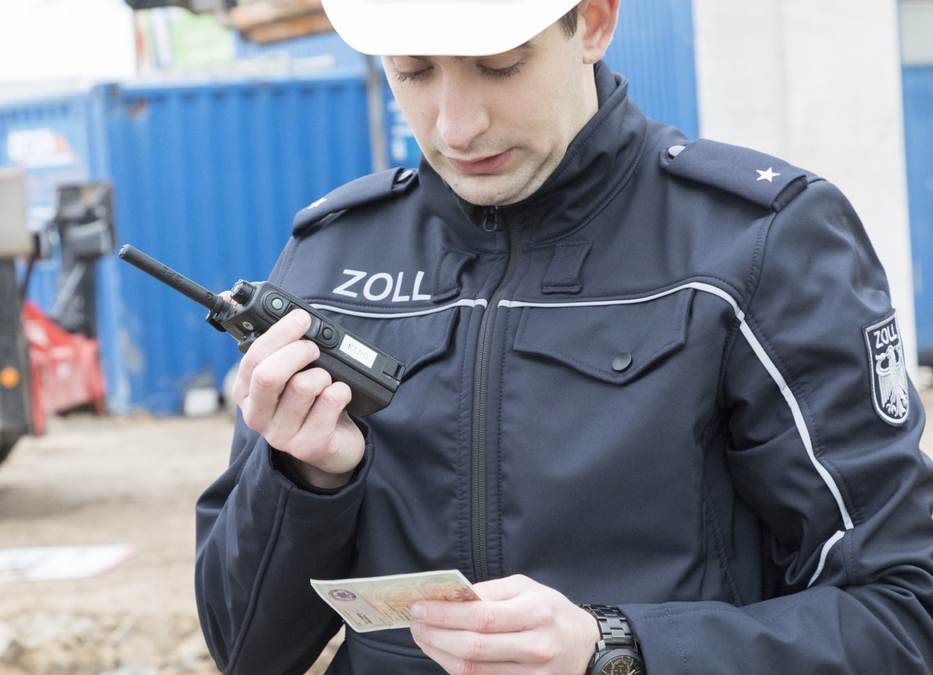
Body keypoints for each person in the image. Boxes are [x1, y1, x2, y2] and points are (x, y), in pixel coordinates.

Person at [193, 0, 933, 673]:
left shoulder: (756, 245)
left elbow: (903, 611)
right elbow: (247, 649)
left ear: (597, 22)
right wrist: (308, 481)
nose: (456, 126)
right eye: (412, 72)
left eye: (499, 67)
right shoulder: (331, 260)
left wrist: (616, 646)